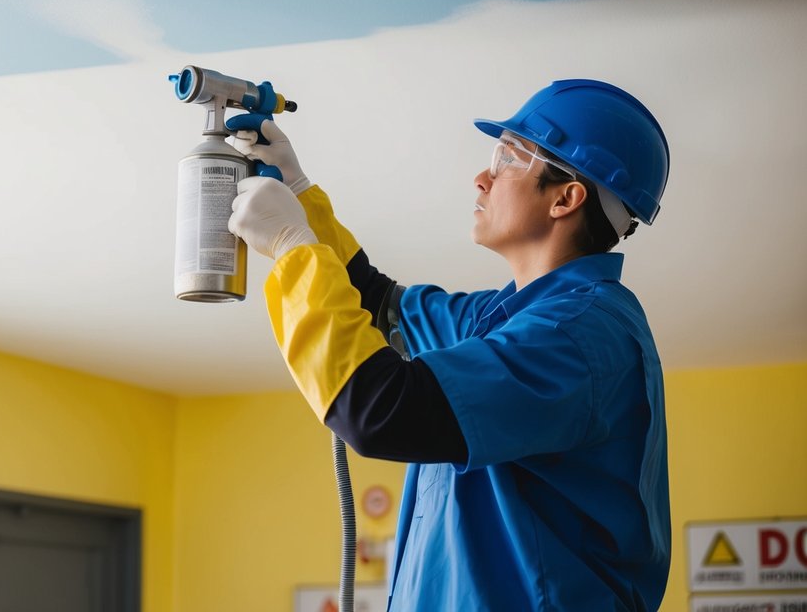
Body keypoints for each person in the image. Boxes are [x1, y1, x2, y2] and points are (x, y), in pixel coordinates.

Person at [226, 79, 671, 611]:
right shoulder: (502, 320)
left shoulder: (576, 336)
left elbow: (378, 410)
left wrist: (293, 250)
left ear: (566, 198)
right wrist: (300, 192)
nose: (481, 177)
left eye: (509, 158)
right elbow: (380, 305)